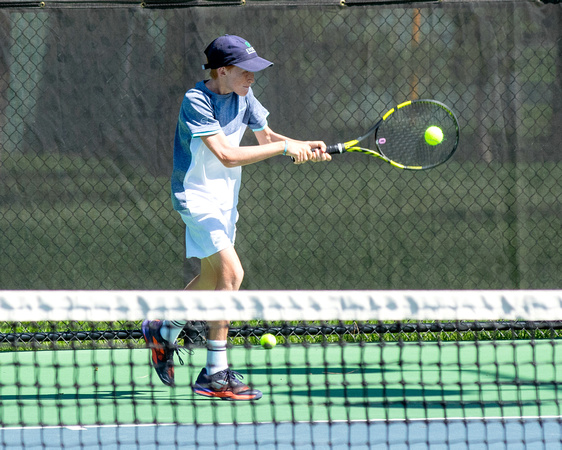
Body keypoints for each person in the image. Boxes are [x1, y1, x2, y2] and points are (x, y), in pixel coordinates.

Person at [142, 34, 331, 401]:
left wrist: (303, 146)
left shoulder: (245, 98)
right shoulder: (196, 100)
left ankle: (164, 328)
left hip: (225, 200)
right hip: (195, 196)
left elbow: (268, 137)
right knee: (232, 273)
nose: (252, 78)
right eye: (246, 72)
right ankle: (214, 373)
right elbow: (227, 155)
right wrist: (283, 148)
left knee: (213, 277)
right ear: (223, 70)